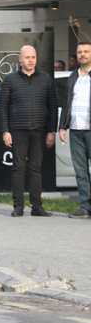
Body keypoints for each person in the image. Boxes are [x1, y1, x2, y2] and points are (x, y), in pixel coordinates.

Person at [0, 45, 58, 217]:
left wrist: (52, 131)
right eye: (27, 57)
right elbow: (3, 106)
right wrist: (5, 131)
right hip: (17, 130)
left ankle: (37, 207)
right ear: (20, 59)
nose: (30, 60)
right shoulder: (10, 79)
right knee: (18, 167)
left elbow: (53, 107)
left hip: (40, 131)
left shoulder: (46, 79)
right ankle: (18, 206)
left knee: (35, 168)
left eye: (33, 57)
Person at [58, 42, 91, 219]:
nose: (82, 55)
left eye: (86, 52)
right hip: (76, 131)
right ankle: (85, 207)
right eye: (80, 52)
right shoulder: (73, 76)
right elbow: (66, 103)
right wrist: (63, 127)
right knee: (80, 171)